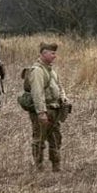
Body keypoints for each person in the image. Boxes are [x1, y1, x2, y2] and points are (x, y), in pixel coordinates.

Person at [23, 42, 70, 172]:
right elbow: (37, 93)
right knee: (39, 139)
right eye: (52, 53)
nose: (55, 56)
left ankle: (56, 166)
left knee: (56, 138)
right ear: (44, 54)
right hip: (45, 110)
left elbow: (59, 86)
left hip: (54, 110)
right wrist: (41, 113)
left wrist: (63, 97)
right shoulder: (37, 71)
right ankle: (38, 167)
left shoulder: (51, 70)